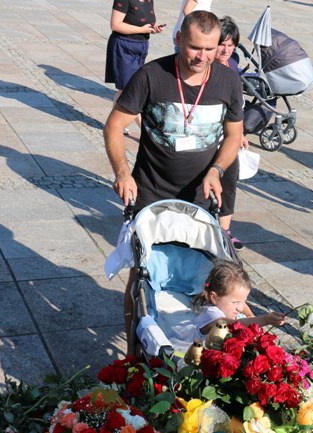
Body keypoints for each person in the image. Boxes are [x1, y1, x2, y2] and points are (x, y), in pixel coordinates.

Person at [104, 10, 244, 354]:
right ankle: (135, 347)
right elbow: (113, 126)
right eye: (196, 47)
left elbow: (233, 135)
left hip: (202, 194)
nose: (203, 57)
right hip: (151, 188)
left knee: (202, 275)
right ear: (180, 39)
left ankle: (198, 348)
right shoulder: (152, 75)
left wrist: (217, 169)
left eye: (210, 49)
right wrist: (122, 173)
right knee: (142, 273)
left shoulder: (228, 82)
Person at [104, 0, 166, 136]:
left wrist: (153, 29)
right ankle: (148, 131)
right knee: (131, 89)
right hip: (124, 46)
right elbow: (115, 25)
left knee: (124, 89)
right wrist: (141, 29)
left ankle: (115, 124)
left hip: (141, 46)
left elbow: (145, 22)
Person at [215, 15, 249, 250]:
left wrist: (240, 133)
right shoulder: (207, 67)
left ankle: (224, 231)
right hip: (207, 135)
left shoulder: (233, 66)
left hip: (229, 135)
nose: (226, 50)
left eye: (231, 45)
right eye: (222, 44)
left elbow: (237, 104)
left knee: (229, 181)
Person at [192, 260, 285, 335]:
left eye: (244, 301)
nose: (240, 308)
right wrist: (266, 320)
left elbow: (246, 311)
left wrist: (251, 318)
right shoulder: (211, 314)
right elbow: (234, 325)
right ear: (214, 298)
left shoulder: (229, 306)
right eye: (235, 302)